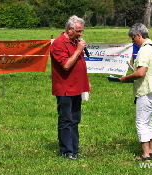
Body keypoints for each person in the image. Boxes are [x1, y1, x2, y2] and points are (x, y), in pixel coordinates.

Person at [120, 23, 152, 161]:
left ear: (139, 35)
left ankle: (145, 154)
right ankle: (151, 151)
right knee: (148, 121)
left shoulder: (145, 50)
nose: (132, 41)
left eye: (133, 38)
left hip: (147, 91)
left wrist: (126, 78)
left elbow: (141, 72)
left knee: (141, 122)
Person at [50, 15, 92, 160]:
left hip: (77, 87)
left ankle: (75, 149)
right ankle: (66, 151)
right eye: (78, 31)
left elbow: (80, 66)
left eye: (82, 31)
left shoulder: (75, 42)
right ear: (69, 29)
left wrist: (86, 82)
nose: (80, 34)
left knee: (75, 120)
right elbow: (66, 65)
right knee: (66, 120)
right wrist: (79, 50)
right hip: (64, 88)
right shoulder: (58, 43)